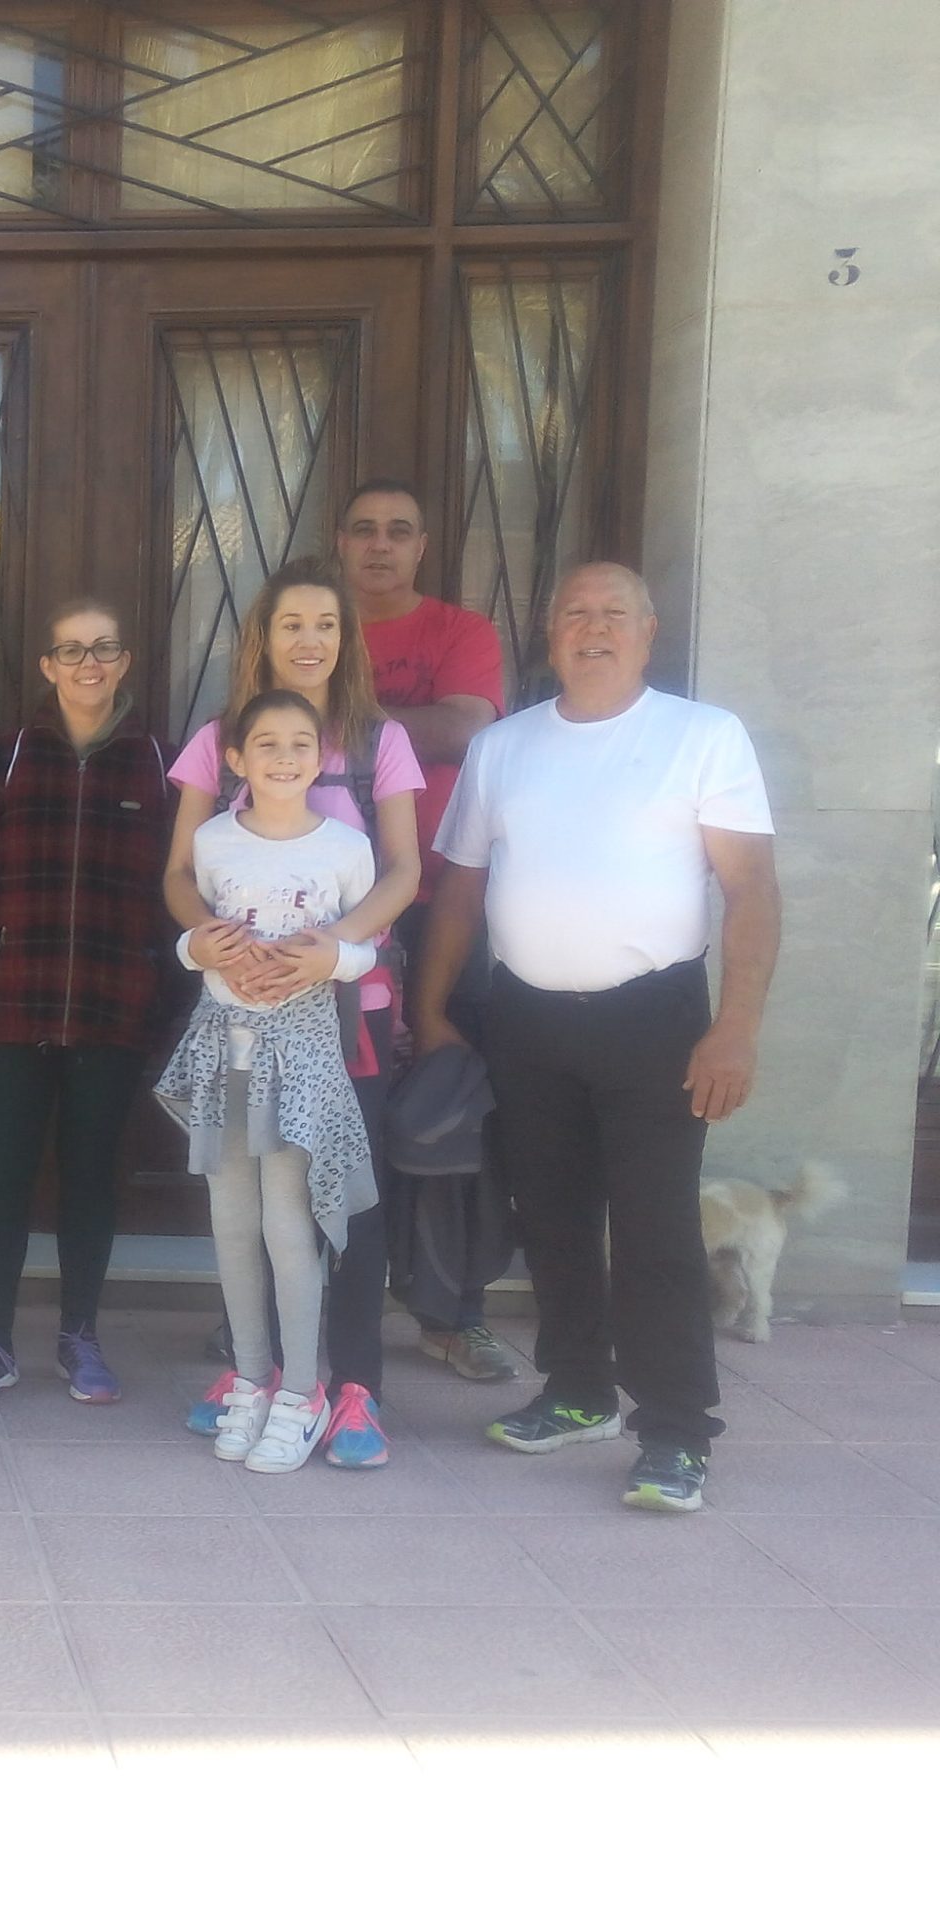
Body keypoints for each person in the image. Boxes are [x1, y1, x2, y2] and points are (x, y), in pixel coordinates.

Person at [414, 562, 779, 1515]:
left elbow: (751, 891)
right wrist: (430, 1007)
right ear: (550, 633)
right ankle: (578, 1392)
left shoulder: (702, 736)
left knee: (657, 1230)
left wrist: (736, 1028)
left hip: (655, 1022)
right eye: (574, 612)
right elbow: (458, 891)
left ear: (649, 632)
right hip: (525, 1018)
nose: (594, 627)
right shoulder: (503, 746)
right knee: (552, 1217)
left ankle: (676, 1431)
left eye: (615, 612)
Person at [165, 553, 421, 1468]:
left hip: (346, 1007)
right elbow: (182, 871)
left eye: (326, 624)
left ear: (346, 639)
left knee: (338, 1193)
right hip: (242, 1006)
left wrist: (330, 947)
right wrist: (208, 937)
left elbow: (404, 868)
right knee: (251, 1197)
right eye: (291, 624)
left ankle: (352, 1388)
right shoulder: (219, 737)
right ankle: (261, 1374)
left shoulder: (379, 739)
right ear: (262, 639)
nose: (309, 640)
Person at [0, 598, 174, 1412]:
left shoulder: (160, 767)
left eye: (103, 648)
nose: (88, 664)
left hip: (114, 1009)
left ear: (124, 661)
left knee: (92, 1177)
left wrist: (162, 1000)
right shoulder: (9, 760)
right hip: (13, 1008)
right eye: (71, 650)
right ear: (48, 666)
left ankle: (79, 1334)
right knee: (4, 1175)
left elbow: (185, 896)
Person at [335, 480, 515, 1379]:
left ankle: (450, 1315)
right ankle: (307, 1304)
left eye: (398, 531)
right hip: (324, 917)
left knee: (447, 1114)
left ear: (421, 546)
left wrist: (335, 724)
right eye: (364, 530)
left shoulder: (460, 632)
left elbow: (464, 729)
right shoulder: (314, 626)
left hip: (444, 905)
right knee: (323, 1114)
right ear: (341, 542)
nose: (381, 545)